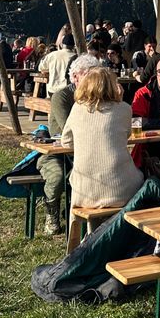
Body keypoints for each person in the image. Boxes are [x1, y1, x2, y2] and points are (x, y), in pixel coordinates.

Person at [60, 66, 143, 212]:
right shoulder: (124, 109)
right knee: (143, 174)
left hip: (84, 192)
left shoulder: (77, 108)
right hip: (120, 190)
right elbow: (126, 135)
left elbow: (66, 141)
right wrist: (120, 100)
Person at [37, 53, 102, 235]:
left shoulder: (97, 96)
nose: (93, 80)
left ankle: (89, 214)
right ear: (75, 77)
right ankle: (52, 212)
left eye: (95, 75)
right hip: (58, 152)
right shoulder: (62, 97)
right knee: (57, 177)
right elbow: (70, 130)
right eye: (88, 75)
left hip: (86, 152)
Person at [37, 33, 77, 98]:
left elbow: (41, 68)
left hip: (52, 91)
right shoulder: (75, 57)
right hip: (68, 92)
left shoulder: (51, 55)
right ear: (74, 46)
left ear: (62, 44)